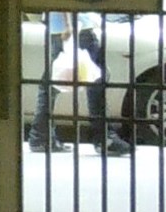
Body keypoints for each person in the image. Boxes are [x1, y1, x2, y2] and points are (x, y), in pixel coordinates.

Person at [28, 8, 132, 153]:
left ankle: (40, 137)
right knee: (96, 79)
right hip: (75, 26)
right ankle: (104, 138)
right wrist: (69, 25)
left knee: (53, 82)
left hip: (67, 25)